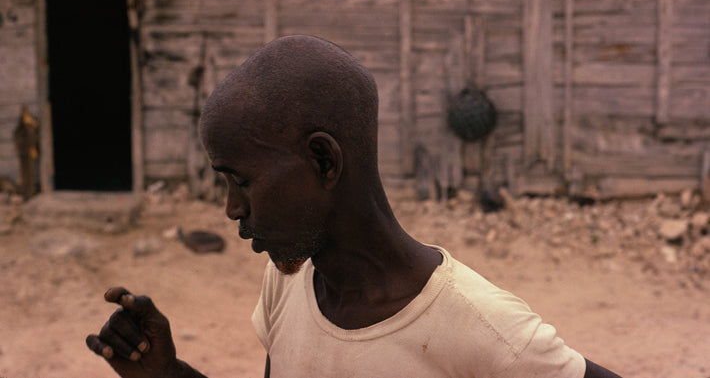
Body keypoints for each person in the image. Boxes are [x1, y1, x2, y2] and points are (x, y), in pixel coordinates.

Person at [87, 35, 621, 377]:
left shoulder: (484, 331)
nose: (231, 210)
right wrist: (167, 373)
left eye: (242, 182)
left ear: (323, 161)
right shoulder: (291, 282)